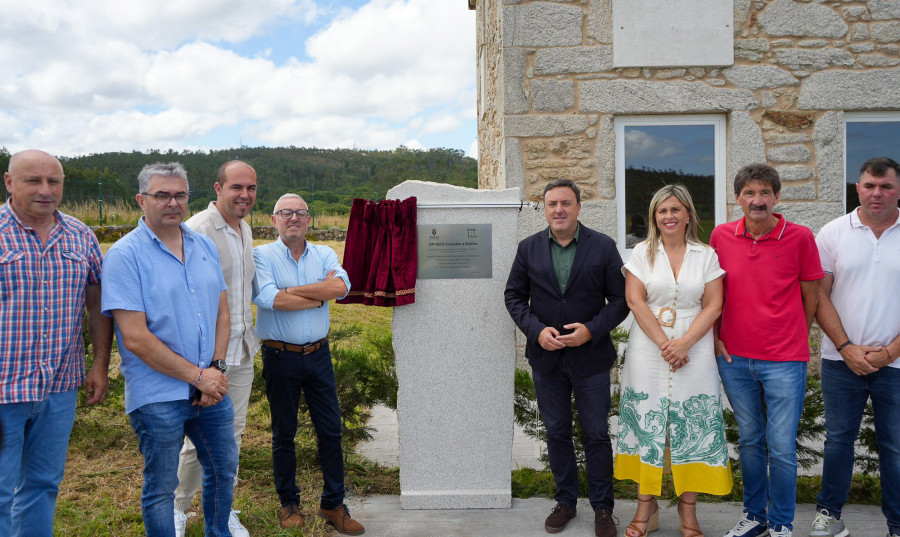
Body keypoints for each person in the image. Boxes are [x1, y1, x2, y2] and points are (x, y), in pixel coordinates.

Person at [101, 162, 237, 537]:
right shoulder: (124, 256)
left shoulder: (203, 245)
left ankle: (218, 532)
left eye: (180, 195)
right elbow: (136, 338)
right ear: (141, 200)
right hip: (158, 395)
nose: (172, 202)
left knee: (223, 469)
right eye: (162, 195)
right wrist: (199, 378)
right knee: (161, 487)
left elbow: (221, 312)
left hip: (210, 386)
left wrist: (217, 369)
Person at [505, 179, 629, 537]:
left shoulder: (603, 247)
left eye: (566, 203)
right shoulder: (528, 248)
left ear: (578, 207)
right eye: (552, 203)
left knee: (595, 434)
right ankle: (566, 501)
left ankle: (603, 509)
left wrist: (592, 329)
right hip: (547, 360)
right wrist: (536, 330)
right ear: (544, 209)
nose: (558, 209)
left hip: (590, 359)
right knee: (557, 433)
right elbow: (514, 296)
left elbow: (620, 301)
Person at [0, 149, 113, 537]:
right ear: (10, 182)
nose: (46, 190)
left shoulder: (81, 236)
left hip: (59, 386)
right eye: (34, 180)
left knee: (44, 484)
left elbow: (97, 303)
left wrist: (99, 364)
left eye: (54, 181)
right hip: (4, 389)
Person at [710, 163, 823, 537]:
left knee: (782, 446)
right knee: (750, 441)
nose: (757, 200)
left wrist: (797, 336)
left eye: (764, 193)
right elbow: (713, 293)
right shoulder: (721, 236)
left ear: (777, 197)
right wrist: (715, 336)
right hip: (735, 358)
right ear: (738, 198)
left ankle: (781, 523)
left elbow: (811, 294)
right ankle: (754, 516)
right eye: (749, 193)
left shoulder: (801, 237)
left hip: (785, 360)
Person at [614, 184, 731, 537]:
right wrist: (667, 344)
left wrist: (687, 344)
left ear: (688, 215)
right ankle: (645, 508)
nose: (669, 216)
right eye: (662, 210)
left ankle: (688, 509)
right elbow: (635, 301)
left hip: (694, 348)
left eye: (675, 210)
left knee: (692, 426)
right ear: (654, 216)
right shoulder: (640, 253)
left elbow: (714, 303)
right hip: (649, 347)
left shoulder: (706, 254)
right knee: (647, 425)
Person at [252, 193, 364, 535]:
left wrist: (294, 291)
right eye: (285, 213)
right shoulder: (262, 255)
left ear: (309, 219)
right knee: (283, 434)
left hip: (318, 356)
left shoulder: (324, 253)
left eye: (300, 213)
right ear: (274, 220)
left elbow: (342, 287)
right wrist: (318, 295)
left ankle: (333, 503)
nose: (293, 218)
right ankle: (289, 502)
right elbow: (269, 298)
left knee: (331, 430)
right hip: (279, 355)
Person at [808, 157, 900, 537]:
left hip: (896, 365)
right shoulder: (832, 233)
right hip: (840, 361)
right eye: (869, 185)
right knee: (838, 442)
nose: (877, 193)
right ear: (857, 187)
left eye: (886, 186)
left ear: (898, 189)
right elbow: (817, 295)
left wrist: (892, 351)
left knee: (894, 448)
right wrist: (846, 347)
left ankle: (896, 524)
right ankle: (829, 515)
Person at [173, 160, 260, 537]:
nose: (244, 195)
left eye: (251, 189)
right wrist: (206, 364)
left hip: (241, 350)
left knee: (232, 435)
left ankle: (222, 512)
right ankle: (178, 508)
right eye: (236, 187)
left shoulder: (245, 228)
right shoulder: (196, 230)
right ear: (218, 188)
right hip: (207, 358)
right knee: (199, 440)